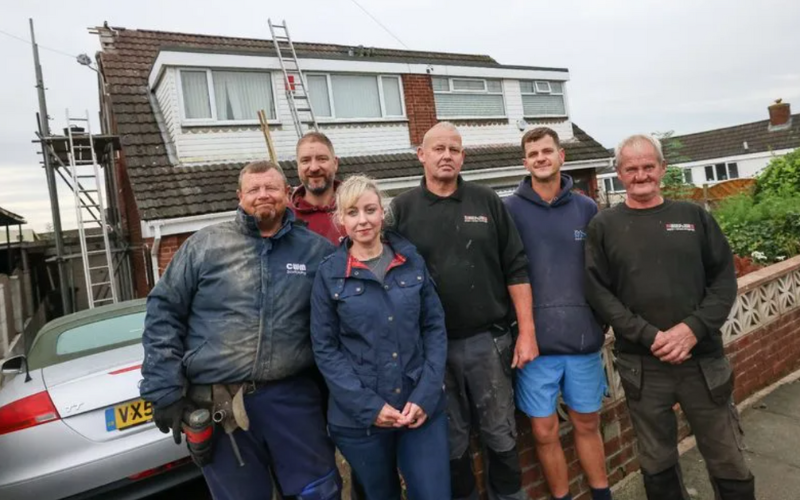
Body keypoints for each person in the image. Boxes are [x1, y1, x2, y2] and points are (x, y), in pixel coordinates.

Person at [141, 160, 341, 500]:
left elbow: (341, 320)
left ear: (287, 194)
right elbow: (164, 312)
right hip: (220, 406)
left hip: (293, 399)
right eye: (254, 189)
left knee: (318, 492)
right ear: (239, 196)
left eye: (272, 188)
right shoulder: (204, 246)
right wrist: (164, 389)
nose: (263, 195)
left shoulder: (316, 252)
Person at [584, 135, 755, 500]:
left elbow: (723, 281)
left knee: (727, 457)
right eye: (631, 168)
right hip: (643, 365)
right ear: (619, 172)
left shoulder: (693, 217)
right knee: (656, 461)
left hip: (702, 362)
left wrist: (692, 330)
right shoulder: (604, 226)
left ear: (662, 169)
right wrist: (649, 335)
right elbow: (598, 292)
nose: (641, 174)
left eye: (649, 166)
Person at [390, 122, 538, 500]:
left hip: (489, 340)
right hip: (432, 350)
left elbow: (516, 267)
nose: (446, 156)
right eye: (438, 149)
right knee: (452, 439)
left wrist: (527, 332)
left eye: (454, 149)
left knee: (500, 431)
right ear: (421, 155)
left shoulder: (487, 201)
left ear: (463, 157)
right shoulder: (402, 210)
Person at [310, 175, 450, 500]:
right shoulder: (329, 274)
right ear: (340, 220)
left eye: (370, 210)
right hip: (361, 421)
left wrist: (426, 394)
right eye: (353, 212)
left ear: (382, 213)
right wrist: (370, 407)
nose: (363, 220)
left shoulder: (410, 260)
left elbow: (434, 328)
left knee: (434, 493)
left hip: (419, 407)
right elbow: (325, 349)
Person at [504, 127, 611, 500]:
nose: (540, 158)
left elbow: (603, 271)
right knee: (544, 431)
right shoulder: (508, 210)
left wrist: (604, 320)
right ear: (525, 162)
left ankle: (601, 494)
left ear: (561, 156)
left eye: (546, 151)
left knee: (587, 422)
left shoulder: (586, 208)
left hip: (582, 339)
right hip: (534, 345)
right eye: (532, 154)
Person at [292, 131, 346, 245]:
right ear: (298, 166)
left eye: (322, 159)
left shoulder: (358, 208)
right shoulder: (286, 217)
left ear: (335, 163)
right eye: (305, 160)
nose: (314, 168)